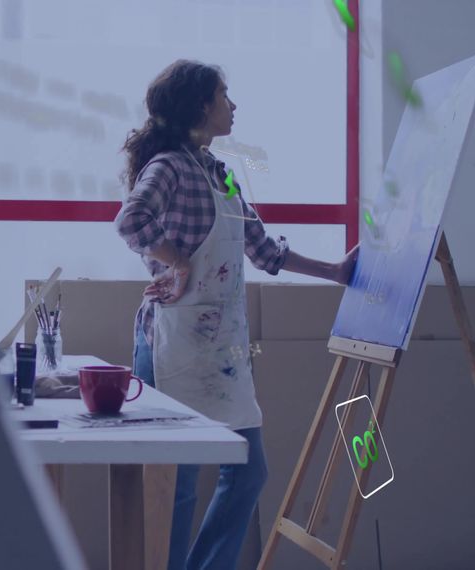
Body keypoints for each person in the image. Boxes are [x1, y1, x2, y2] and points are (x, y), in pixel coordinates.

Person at [114, 59, 358, 570]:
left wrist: (334, 271)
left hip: (218, 349)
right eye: (226, 95)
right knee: (178, 484)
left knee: (248, 472)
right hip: (171, 341)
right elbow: (130, 220)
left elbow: (263, 250)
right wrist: (177, 261)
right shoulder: (171, 167)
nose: (234, 105)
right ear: (202, 104)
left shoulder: (218, 174)